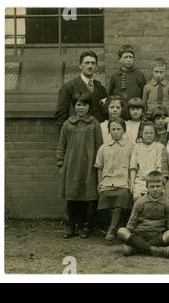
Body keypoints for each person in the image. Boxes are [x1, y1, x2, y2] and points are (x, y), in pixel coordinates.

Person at [56, 93, 103, 239]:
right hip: (71, 165)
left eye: (84, 105)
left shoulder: (94, 123)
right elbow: (61, 145)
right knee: (72, 196)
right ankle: (70, 226)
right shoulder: (68, 124)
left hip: (88, 165)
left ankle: (81, 226)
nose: (81, 108)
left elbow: (99, 145)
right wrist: (61, 164)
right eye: (78, 104)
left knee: (84, 197)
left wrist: (98, 165)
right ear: (74, 106)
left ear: (89, 106)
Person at [117, 171, 169, 258]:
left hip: (158, 237)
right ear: (146, 187)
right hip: (140, 235)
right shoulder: (140, 202)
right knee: (121, 231)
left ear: (163, 187)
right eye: (152, 186)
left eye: (158, 186)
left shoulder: (168, 203)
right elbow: (131, 225)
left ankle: (136, 249)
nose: (155, 189)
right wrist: (130, 236)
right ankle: (156, 250)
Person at [95, 117, 134, 241]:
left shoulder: (130, 146)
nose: (116, 132)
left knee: (121, 200)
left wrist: (130, 181)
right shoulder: (103, 148)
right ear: (109, 131)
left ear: (124, 131)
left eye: (119, 129)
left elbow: (132, 166)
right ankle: (113, 228)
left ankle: (112, 229)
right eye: (113, 129)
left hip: (122, 182)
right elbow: (99, 167)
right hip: (107, 182)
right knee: (103, 205)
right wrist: (99, 182)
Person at [55, 50, 107, 131]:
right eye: (87, 63)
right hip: (77, 135)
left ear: (96, 67)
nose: (90, 66)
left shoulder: (101, 89)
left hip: (97, 135)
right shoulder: (68, 87)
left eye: (93, 63)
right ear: (80, 65)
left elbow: (104, 114)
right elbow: (61, 116)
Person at [129, 121, 164, 202]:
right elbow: (133, 167)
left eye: (151, 133)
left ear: (155, 134)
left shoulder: (159, 147)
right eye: (146, 133)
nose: (149, 135)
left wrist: (156, 180)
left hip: (154, 181)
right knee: (136, 197)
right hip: (140, 181)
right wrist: (132, 182)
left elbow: (159, 167)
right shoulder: (136, 147)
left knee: (154, 199)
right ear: (141, 133)